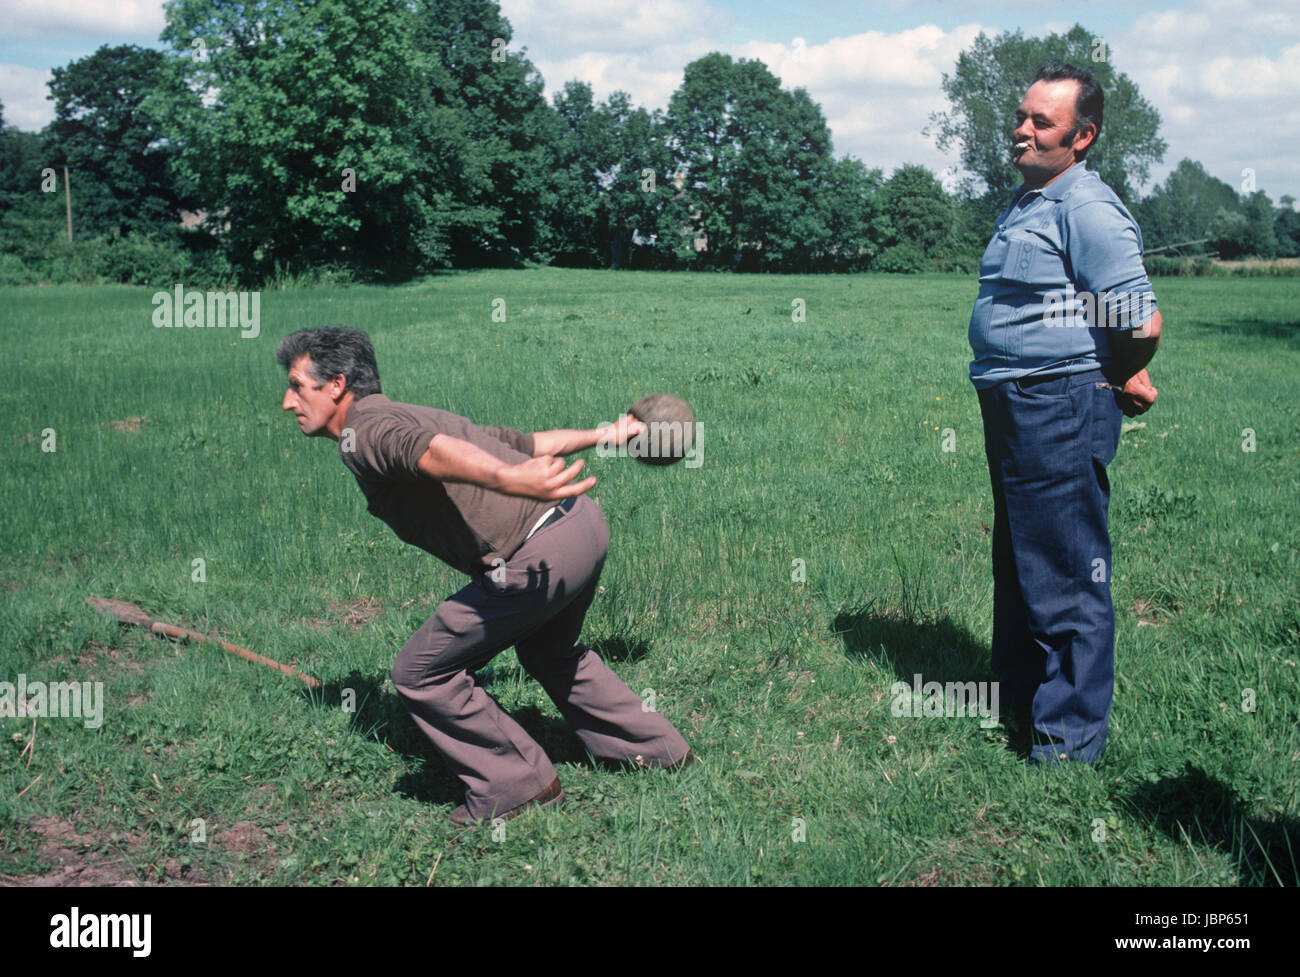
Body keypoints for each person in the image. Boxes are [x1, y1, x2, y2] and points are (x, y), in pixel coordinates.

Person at [276, 326, 693, 824]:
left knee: (420, 672)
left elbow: (424, 452)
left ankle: (517, 786)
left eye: (297, 385)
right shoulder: (407, 413)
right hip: (581, 526)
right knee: (548, 651)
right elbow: (527, 443)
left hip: (538, 552)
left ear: (337, 385)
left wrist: (507, 478)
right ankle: (657, 749)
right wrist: (610, 434)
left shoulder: (363, 430)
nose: (287, 401)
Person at [967, 61, 1162, 764]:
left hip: (1058, 404)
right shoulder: (1032, 200)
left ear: (1082, 136)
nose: (1020, 129)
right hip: (1017, 400)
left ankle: (1068, 745)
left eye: (1039, 121)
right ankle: (1020, 700)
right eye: (1020, 116)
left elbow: (1140, 320)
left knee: (1068, 571)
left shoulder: (1086, 207)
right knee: (1022, 558)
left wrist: (1114, 374)